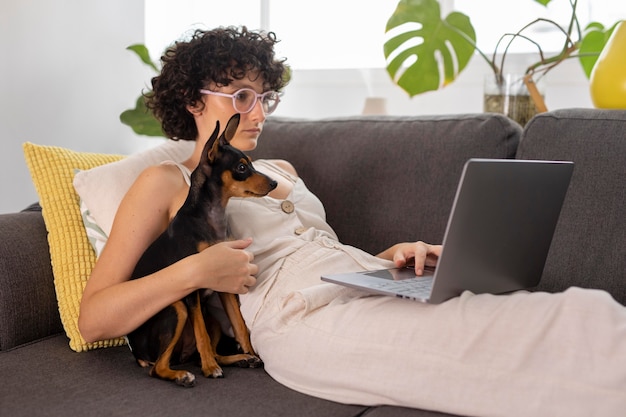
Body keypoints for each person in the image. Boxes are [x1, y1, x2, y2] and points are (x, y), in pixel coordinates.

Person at [78, 26, 626, 416]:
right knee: (562, 329)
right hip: (300, 319)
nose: (261, 113)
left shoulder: (280, 168)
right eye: (241, 96)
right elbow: (94, 317)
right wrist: (196, 273)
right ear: (192, 102)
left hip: (362, 286)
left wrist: (387, 260)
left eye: (264, 96)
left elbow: (317, 249)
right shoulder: (166, 181)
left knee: (574, 307)